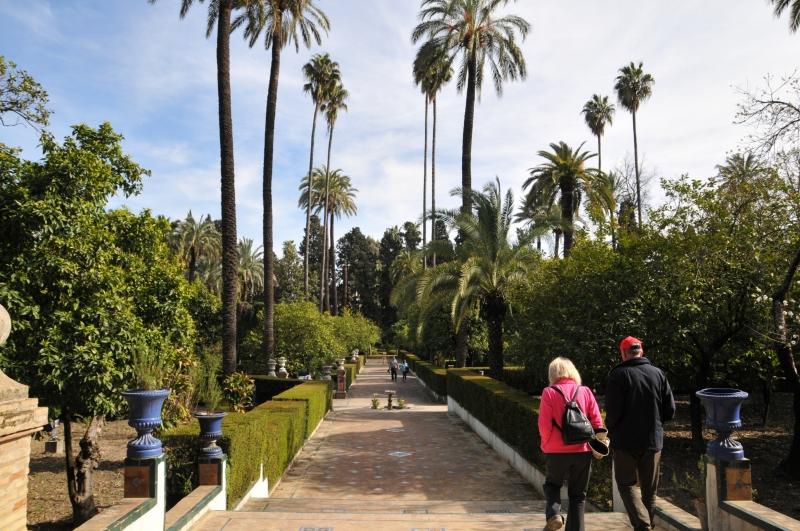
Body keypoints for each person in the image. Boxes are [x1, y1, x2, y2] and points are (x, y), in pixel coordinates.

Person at [605, 336, 675, 531]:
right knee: (649, 492)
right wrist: (656, 424)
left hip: (625, 443)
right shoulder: (658, 374)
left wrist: (609, 429)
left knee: (626, 484)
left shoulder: (618, 375)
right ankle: (646, 525)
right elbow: (670, 410)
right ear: (641, 351)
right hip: (652, 441)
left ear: (623, 353)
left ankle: (643, 526)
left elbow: (613, 412)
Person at [538, 357, 604, 531]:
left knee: (552, 485)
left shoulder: (549, 392)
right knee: (578, 496)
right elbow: (597, 422)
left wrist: (546, 444)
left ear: (553, 373)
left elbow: (544, 426)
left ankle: (554, 514)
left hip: (556, 451)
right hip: (583, 450)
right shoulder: (585, 391)